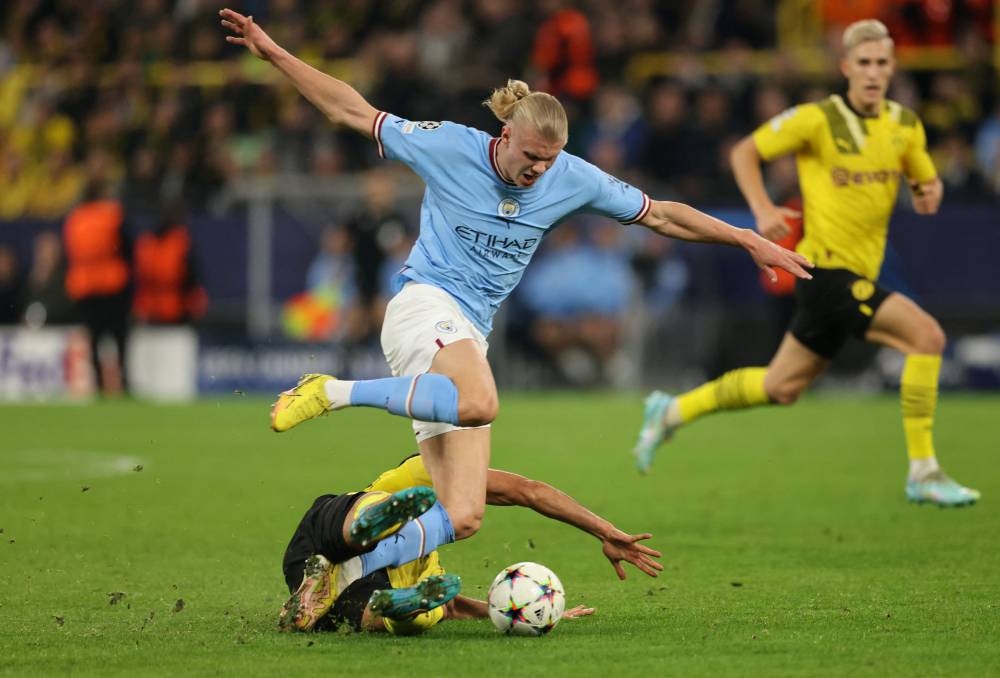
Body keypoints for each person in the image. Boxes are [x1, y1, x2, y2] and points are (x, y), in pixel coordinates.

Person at [220, 7, 811, 589]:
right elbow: (351, 110)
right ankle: (330, 391)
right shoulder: (450, 146)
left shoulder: (571, 177)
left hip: (468, 334)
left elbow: (661, 215)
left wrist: (745, 238)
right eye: (530, 157)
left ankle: (344, 576)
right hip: (425, 304)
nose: (538, 171)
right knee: (480, 401)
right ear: (505, 137)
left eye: (548, 161)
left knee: (463, 514)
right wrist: (273, 53)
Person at [631, 20, 979, 508]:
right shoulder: (817, 119)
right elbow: (745, 152)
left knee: (781, 386)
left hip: (854, 275)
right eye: (864, 63)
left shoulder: (905, 125)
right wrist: (763, 209)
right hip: (827, 272)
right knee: (927, 337)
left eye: (881, 63)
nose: (872, 72)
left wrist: (929, 192)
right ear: (846, 67)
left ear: (892, 68)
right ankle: (924, 471)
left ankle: (671, 411)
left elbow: (925, 186)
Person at [280, 453, 662, 634]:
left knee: (429, 605)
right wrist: (603, 530)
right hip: (344, 544)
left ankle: (370, 600)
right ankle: (391, 603)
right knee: (377, 510)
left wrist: (517, 611)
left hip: (311, 561)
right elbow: (527, 491)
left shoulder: (426, 552)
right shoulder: (427, 471)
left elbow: (453, 605)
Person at [62, 178, 132, 396]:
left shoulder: (75, 219)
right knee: (119, 336)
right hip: (112, 284)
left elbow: (69, 253)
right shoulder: (112, 215)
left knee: (94, 337)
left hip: (85, 286)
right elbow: (126, 247)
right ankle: (123, 382)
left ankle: (99, 384)